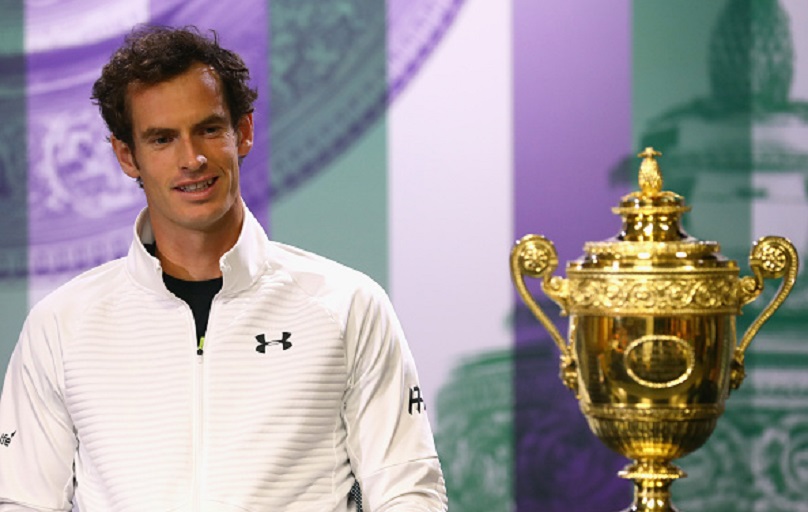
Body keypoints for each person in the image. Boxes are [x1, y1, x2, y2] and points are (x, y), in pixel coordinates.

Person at [0, 26, 447, 512]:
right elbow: (22, 501)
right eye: (162, 138)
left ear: (244, 131)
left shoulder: (347, 304)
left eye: (209, 129)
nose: (191, 159)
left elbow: (407, 493)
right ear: (126, 155)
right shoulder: (61, 325)